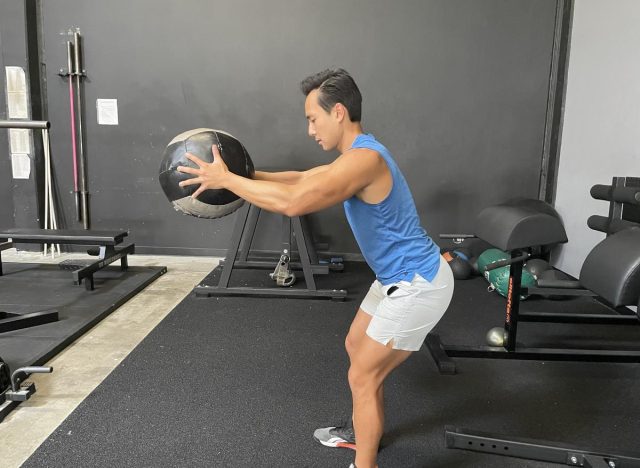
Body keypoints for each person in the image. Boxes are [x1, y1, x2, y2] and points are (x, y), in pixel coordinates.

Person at [177, 68, 454, 468]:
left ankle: (365, 461)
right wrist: (241, 175)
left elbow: (295, 202)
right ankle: (362, 430)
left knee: (363, 375)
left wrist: (228, 181)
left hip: (418, 284)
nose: (310, 129)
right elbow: (303, 178)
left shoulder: (365, 160)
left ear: (338, 112)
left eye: (312, 118)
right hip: (397, 278)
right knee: (356, 347)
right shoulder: (357, 154)